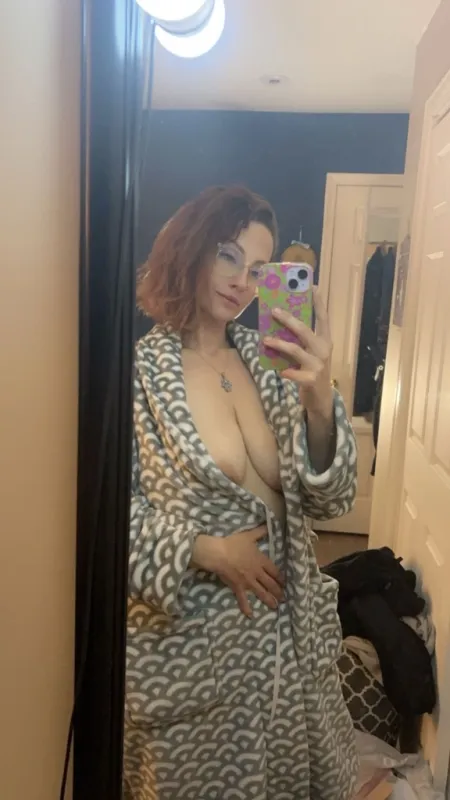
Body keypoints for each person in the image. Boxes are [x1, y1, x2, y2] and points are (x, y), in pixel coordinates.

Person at [124, 185, 358, 800]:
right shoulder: (139, 375)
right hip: (197, 656)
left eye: (258, 268)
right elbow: (102, 518)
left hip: (294, 652)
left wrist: (320, 399)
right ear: (191, 249)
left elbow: (332, 501)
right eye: (227, 255)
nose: (241, 281)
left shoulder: (274, 361)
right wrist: (206, 550)